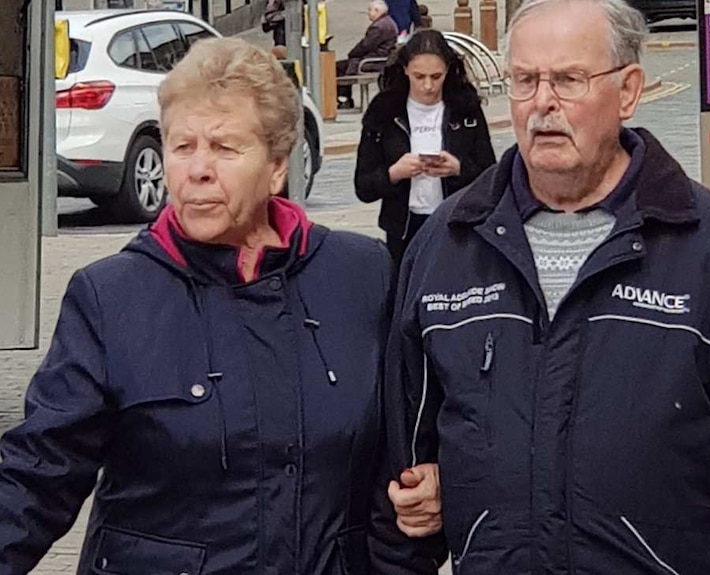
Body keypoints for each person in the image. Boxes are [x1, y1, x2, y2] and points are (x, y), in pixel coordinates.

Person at [384, 0, 710, 572]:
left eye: (569, 80)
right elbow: (401, 485)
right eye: (525, 81)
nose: (542, 103)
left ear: (627, 91)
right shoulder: (446, 248)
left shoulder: (709, 245)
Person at [0, 37, 438, 575]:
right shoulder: (111, 296)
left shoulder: (362, 274)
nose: (198, 169)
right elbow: (37, 475)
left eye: (225, 148)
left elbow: (408, 458)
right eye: (182, 147)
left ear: (277, 167)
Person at [354, 29, 496, 269]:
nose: (428, 86)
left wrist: (458, 169)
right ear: (405, 69)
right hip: (403, 229)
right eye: (419, 76)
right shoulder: (384, 112)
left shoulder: (465, 109)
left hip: (456, 225)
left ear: (448, 71)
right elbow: (363, 186)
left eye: (436, 76)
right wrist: (395, 173)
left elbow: (492, 177)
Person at [336, 0, 398, 110]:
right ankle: (345, 99)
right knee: (342, 65)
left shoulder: (378, 27)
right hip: (380, 59)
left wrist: (352, 54)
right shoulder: (388, 22)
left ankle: (344, 99)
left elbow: (365, 46)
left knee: (337, 67)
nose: (368, 13)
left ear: (377, 11)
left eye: (370, 10)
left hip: (373, 61)